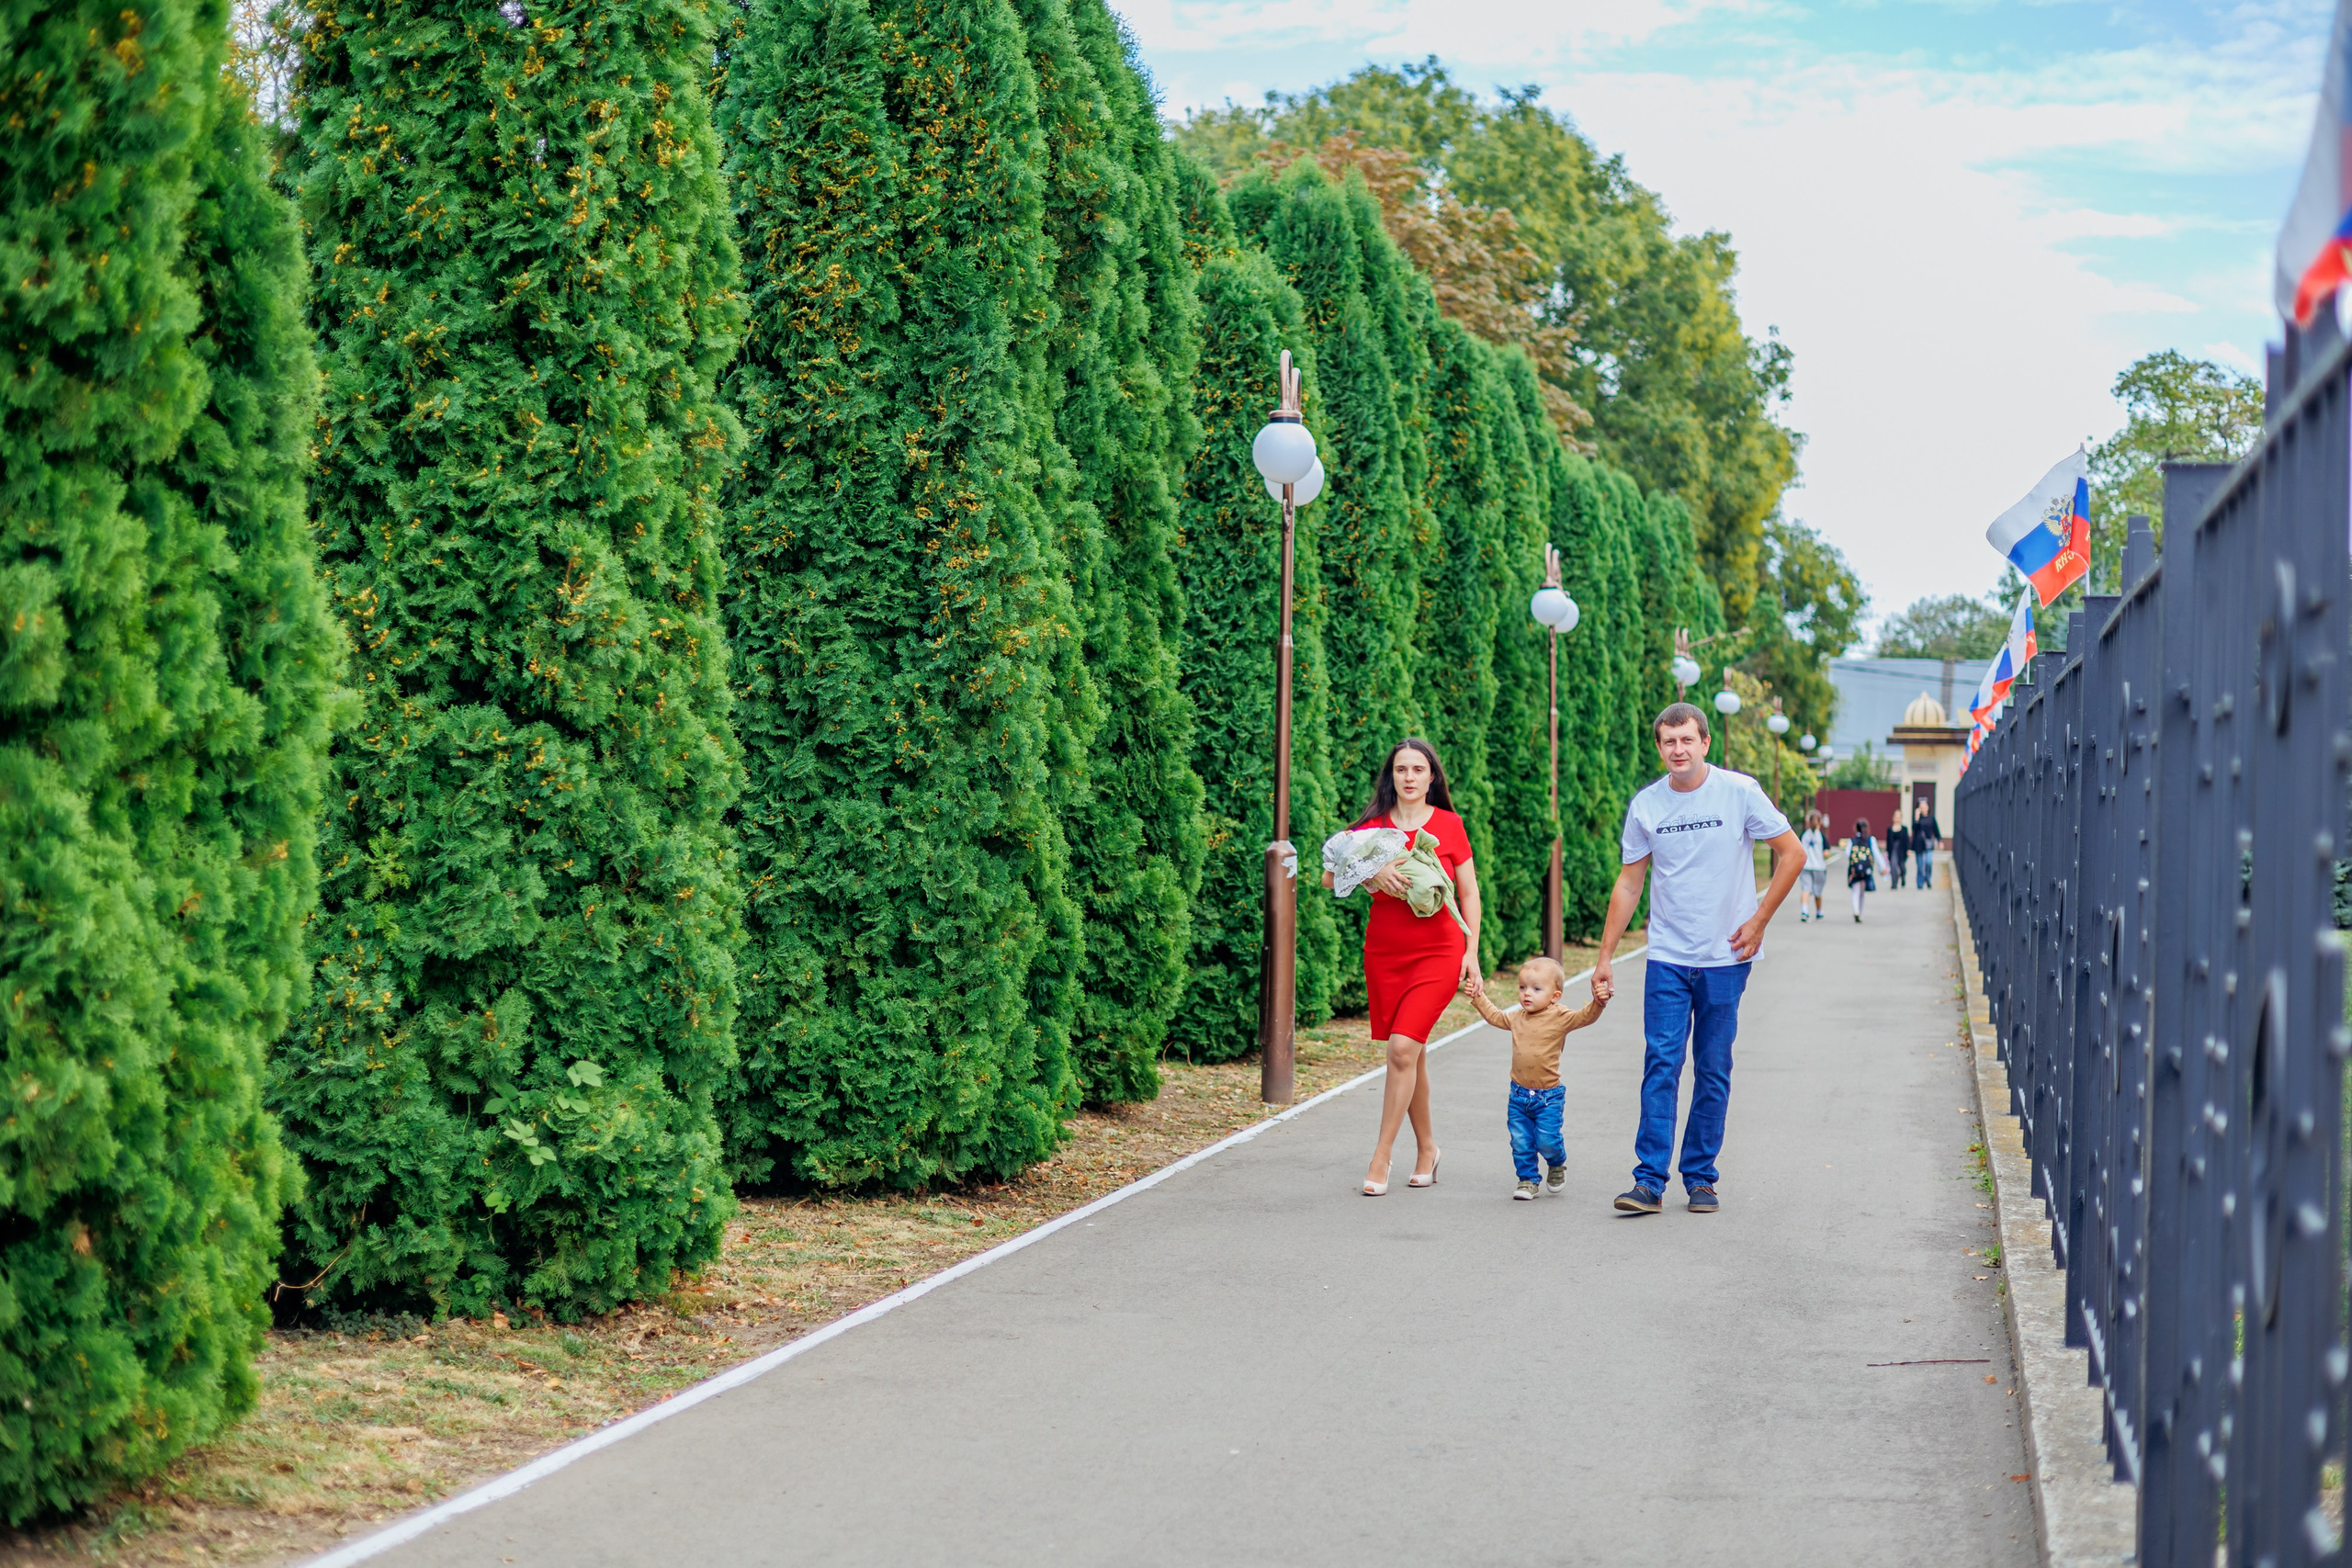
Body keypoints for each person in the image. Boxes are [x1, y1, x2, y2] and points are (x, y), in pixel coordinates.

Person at [1593, 703, 1804, 1216]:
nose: (1678, 750)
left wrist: (1757, 921)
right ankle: (1648, 1181)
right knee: (1661, 1063)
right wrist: (1605, 957)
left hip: (1725, 958)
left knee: (1712, 1067)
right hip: (1667, 955)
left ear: (1705, 743)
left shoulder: (1739, 792)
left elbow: (1792, 853)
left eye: (1687, 740)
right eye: (1669, 742)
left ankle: (1701, 1178)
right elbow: (1629, 882)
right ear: (1660, 747)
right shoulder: (1647, 806)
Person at [1321, 739, 1482, 1196]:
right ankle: (1428, 1149)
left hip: (1439, 950)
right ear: (1390, 777)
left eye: (1418, 769)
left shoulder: (1450, 825)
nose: (1409, 777)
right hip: (1386, 953)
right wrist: (1369, 874)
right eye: (1400, 769)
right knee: (1411, 1054)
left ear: (1433, 777)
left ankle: (1381, 1155)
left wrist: (1471, 953)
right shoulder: (1369, 830)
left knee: (1401, 1050)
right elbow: (1329, 875)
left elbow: (1468, 893)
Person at [1466, 956, 1606, 1199]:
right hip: (1518, 1095)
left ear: (1555, 996)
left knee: (1547, 1140)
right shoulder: (1518, 1017)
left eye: (1536, 989)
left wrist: (1598, 1003)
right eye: (1522, 987)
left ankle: (1557, 1161)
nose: (1526, 994)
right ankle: (1528, 1180)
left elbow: (1586, 1017)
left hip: (1548, 1097)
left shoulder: (1560, 1017)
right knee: (1520, 1142)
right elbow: (1495, 1016)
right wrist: (1478, 997)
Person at [1797, 810, 1829, 922]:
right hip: (1819, 867)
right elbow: (1826, 853)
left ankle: (1804, 911)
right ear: (1820, 822)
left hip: (1806, 866)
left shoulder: (1804, 835)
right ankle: (1819, 911)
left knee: (1806, 889)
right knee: (1818, 891)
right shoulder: (1821, 836)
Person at [1846, 817, 1876, 921]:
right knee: (1862, 893)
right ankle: (1860, 913)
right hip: (1866, 870)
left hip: (1854, 870)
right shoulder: (1870, 840)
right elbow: (1876, 853)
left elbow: (1847, 854)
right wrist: (1884, 867)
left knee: (1855, 890)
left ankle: (1856, 911)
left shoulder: (1852, 840)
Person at [1912, 799, 1941, 889]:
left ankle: (1928, 879)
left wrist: (1939, 840)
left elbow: (1936, 830)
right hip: (1918, 844)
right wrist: (1916, 818)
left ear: (1928, 807)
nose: (1923, 809)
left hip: (1928, 843)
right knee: (1920, 865)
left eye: (1925, 807)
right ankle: (1920, 883)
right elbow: (1914, 829)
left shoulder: (1931, 818)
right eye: (1921, 807)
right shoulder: (1917, 818)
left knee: (1928, 862)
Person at [1884, 813, 1909, 890]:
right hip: (1893, 849)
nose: (1897, 819)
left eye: (1899, 817)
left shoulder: (1904, 828)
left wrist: (1908, 850)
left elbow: (1907, 840)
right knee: (1893, 865)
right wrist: (1886, 851)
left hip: (1902, 849)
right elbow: (1888, 841)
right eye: (1896, 817)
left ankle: (1902, 876)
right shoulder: (1890, 829)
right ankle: (1894, 883)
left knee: (1902, 866)